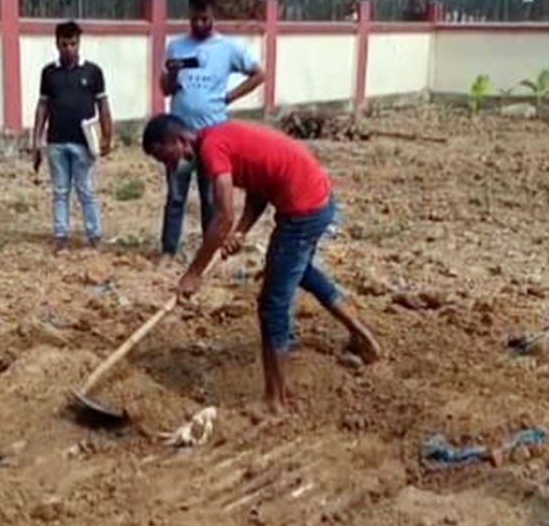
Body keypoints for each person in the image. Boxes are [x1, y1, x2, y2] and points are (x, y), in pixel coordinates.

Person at [141, 114, 382, 414]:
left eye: (165, 157)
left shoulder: (212, 149)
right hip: (317, 198)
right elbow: (258, 189)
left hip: (303, 210)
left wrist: (193, 273)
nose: (169, 165)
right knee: (302, 271)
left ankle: (275, 400)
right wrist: (242, 230)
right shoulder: (220, 138)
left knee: (272, 305)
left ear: (178, 141)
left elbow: (222, 217)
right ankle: (365, 339)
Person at [158, 0, 265, 260]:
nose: (199, 24)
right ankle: (169, 250)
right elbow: (166, 89)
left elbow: (258, 74)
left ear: (213, 15)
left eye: (204, 19)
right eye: (194, 19)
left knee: (211, 198)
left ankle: (209, 249)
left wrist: (229, 97)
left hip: (213, 136)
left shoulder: (228, 48)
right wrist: (171, 75)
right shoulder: (177, 46)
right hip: (179, 136)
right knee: (176, 196)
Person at [32, 21, 114, 252]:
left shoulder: (93, 72)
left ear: (79, 43)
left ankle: (95, 235)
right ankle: (61, 234)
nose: (69, 48)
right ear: (56, 44)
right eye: (64, 44)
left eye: (73, 44)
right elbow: (42, 106)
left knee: (86, 189)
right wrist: (36, 138)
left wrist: (108, 135)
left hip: (84, 142)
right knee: (60, 191)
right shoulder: (49, 73)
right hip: (56, 141)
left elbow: (103, 105)